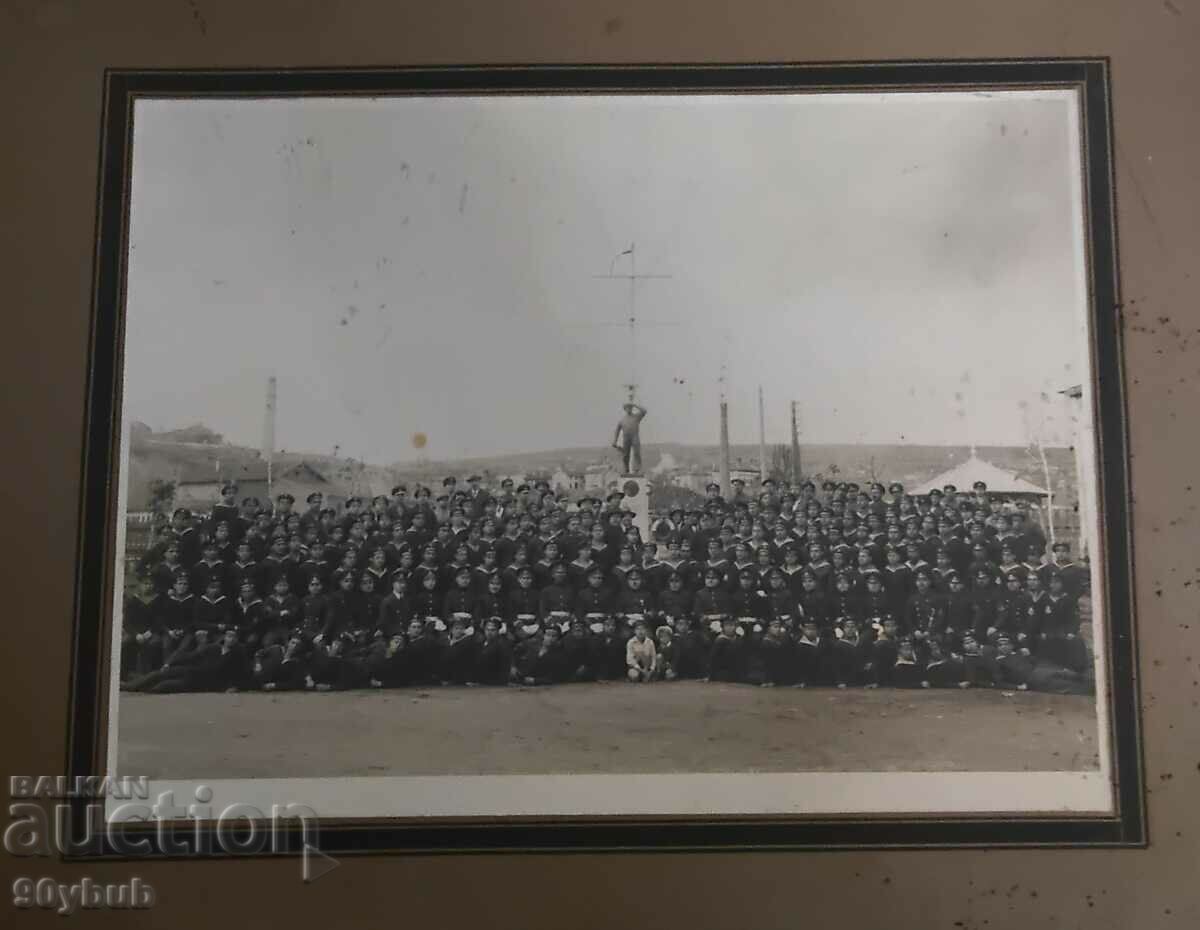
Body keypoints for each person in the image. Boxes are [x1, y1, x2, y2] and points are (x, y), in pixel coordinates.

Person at [611, 401, 648, 475]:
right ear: (625, 409)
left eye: (630, 407)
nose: (629, 409)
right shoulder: (622, 420)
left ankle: (637, 469)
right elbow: (617, 430)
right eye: (627, 407)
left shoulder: (636, 417)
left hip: (635, 436)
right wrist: (615, 441)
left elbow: (644, 411)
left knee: (637, 452)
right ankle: (626, 470)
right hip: (626, 438)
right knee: (625, 455)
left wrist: (634, 404)